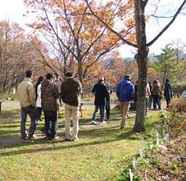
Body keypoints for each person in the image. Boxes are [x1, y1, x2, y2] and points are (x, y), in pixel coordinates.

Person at [61, 72, 82, 141]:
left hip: (67, 103)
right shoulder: (77, 82)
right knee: (75, 121)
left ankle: (67, 136)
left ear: (66, 76)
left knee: (67, 120)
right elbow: (80, 92)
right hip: (75, 103)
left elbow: (62, 93)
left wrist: (64, 100)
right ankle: (74, 136)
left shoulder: (64, 83)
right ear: (72, 76)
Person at [17, 70, 36, 140]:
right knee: (34, 120)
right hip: (29, 105)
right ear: (31, 75)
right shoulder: (29, 84)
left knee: (23, 121)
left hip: (22, 105)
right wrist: (34, 105)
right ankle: (30, 135)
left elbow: (18, 94)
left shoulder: (20, 84)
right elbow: (32, 97)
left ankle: (23, 135)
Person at [41, 73, 59, 140]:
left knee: (47, 120)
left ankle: (47, 134)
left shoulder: (42, 85)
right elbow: (57, 95)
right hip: (53, 104)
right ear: (51, 78)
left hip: (45, 104)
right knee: (54, 120)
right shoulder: (54, 85)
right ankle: (53, 135)